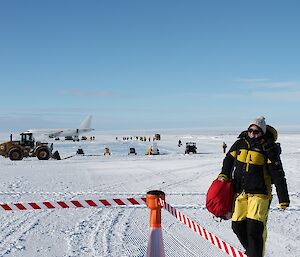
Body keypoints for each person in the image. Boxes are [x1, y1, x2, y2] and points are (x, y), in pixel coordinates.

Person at [218, 116, 289, 257]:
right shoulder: (240, 144)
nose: (252, 134)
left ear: (262, 132)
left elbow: (278, 173)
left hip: (260, 194)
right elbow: (228, 160)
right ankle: (252, 252)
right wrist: (224, 174)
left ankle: (255, 253)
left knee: (254, 228)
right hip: (240, 192)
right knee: (237, 225)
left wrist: (283, 199)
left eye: (256, 131)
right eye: (250, 130)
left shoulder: (268, 148)